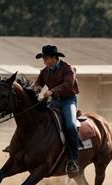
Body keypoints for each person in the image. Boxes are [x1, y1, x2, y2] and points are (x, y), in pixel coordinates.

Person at [34, 45, 80, 176]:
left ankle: (74, 160)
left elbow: (68, 85)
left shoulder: (69, 69)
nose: (44, 61)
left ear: (54, 58)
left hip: (68, 101)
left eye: (46, 58)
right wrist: (32, 90)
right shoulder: (44, 71)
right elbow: (37, 85)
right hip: (54, 102)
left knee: (70, 125)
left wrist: (52, 91)